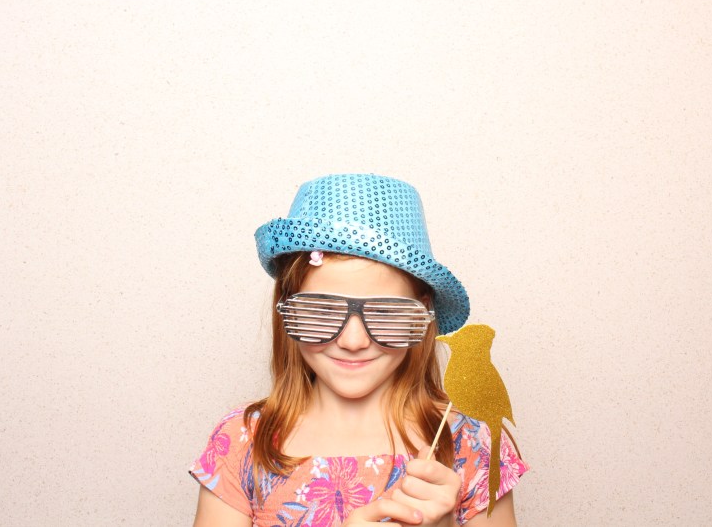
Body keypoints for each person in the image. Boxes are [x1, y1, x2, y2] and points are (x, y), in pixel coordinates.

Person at [190, 174, 527, 526]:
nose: (353, 342)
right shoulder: (242, 441)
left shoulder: (472, 446)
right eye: (322, 311)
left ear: (422, 314)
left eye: (385, 312)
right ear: (288, 309)